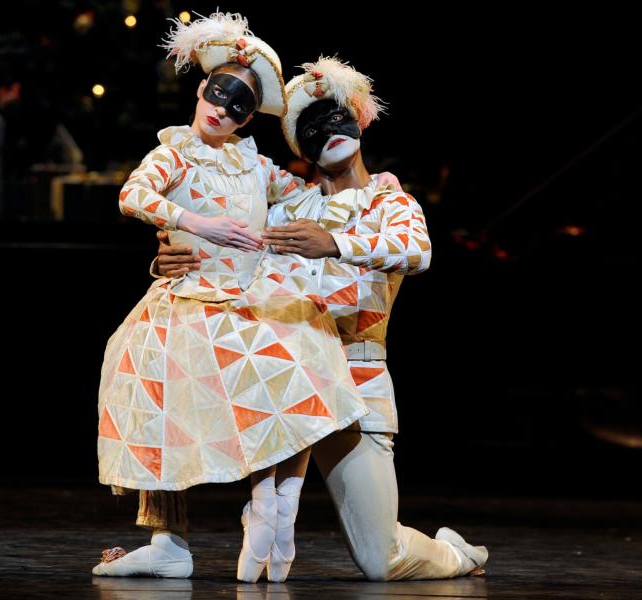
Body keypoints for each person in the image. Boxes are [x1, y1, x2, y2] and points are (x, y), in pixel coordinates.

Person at [156, 57, 488, 581]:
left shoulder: (389, 200)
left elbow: (416, 252)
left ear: (358, 119)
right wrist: (170, 255)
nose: (325, 133)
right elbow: (225, 240)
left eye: (333, 118)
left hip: (357, 381)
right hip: (288, 379)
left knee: (381, 560)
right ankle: (170, 540)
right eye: (309, 129)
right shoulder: (287, 206)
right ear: (298, 146)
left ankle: (455, 553)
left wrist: (332, 243)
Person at [93, 14, 368, 583]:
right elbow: (132, 193)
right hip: (189, 298)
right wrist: (200, 224)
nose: (224, 110)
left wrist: (366, 187)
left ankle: (276, 501)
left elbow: (310, 196)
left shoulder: (252, 162)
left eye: (241, 106)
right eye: (220, 94)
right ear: (201, 87)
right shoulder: (178, 152)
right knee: (145, 379)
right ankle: (168, 538)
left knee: (284, 370)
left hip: (247, 295)